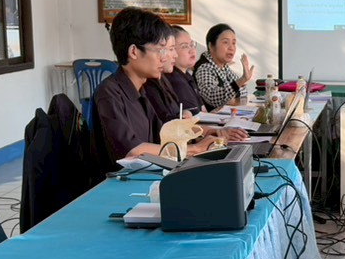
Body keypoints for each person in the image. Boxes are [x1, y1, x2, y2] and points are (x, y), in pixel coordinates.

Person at [94, 10, 224, 160]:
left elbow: (162, 134)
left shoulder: (140, 89)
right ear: (134, 52)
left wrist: (205, 134)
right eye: (161, 50)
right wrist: (193, 149)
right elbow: (132, 150)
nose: (166, 57)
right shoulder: (109, 93)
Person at [195, 23, 255, 111]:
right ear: (211, 46)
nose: (231, 48)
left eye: (234, 43)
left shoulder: (224, 67)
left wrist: (235, 92)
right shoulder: (204, 68)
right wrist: (241, 80)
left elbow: (243, 93)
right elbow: (214, 99)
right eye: (225, 42)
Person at [165, 26, 205, 113]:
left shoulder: (187, 75)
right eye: (184, 46)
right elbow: (194, 114)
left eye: (192, 45)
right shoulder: (174, 80)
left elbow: (202, 110)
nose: (192, 50)